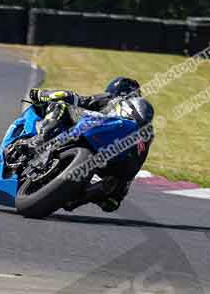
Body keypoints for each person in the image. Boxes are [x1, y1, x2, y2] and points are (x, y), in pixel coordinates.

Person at [26, 77, 154, 213]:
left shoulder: (114, 100)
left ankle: (40, 139)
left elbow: (75, 99)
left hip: (103, 137)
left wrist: (39, 95)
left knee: (61, 104)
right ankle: (85, 194)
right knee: (111, 199)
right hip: (121, 169)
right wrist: (118, 192)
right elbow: (112, 203)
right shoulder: (145, 134)